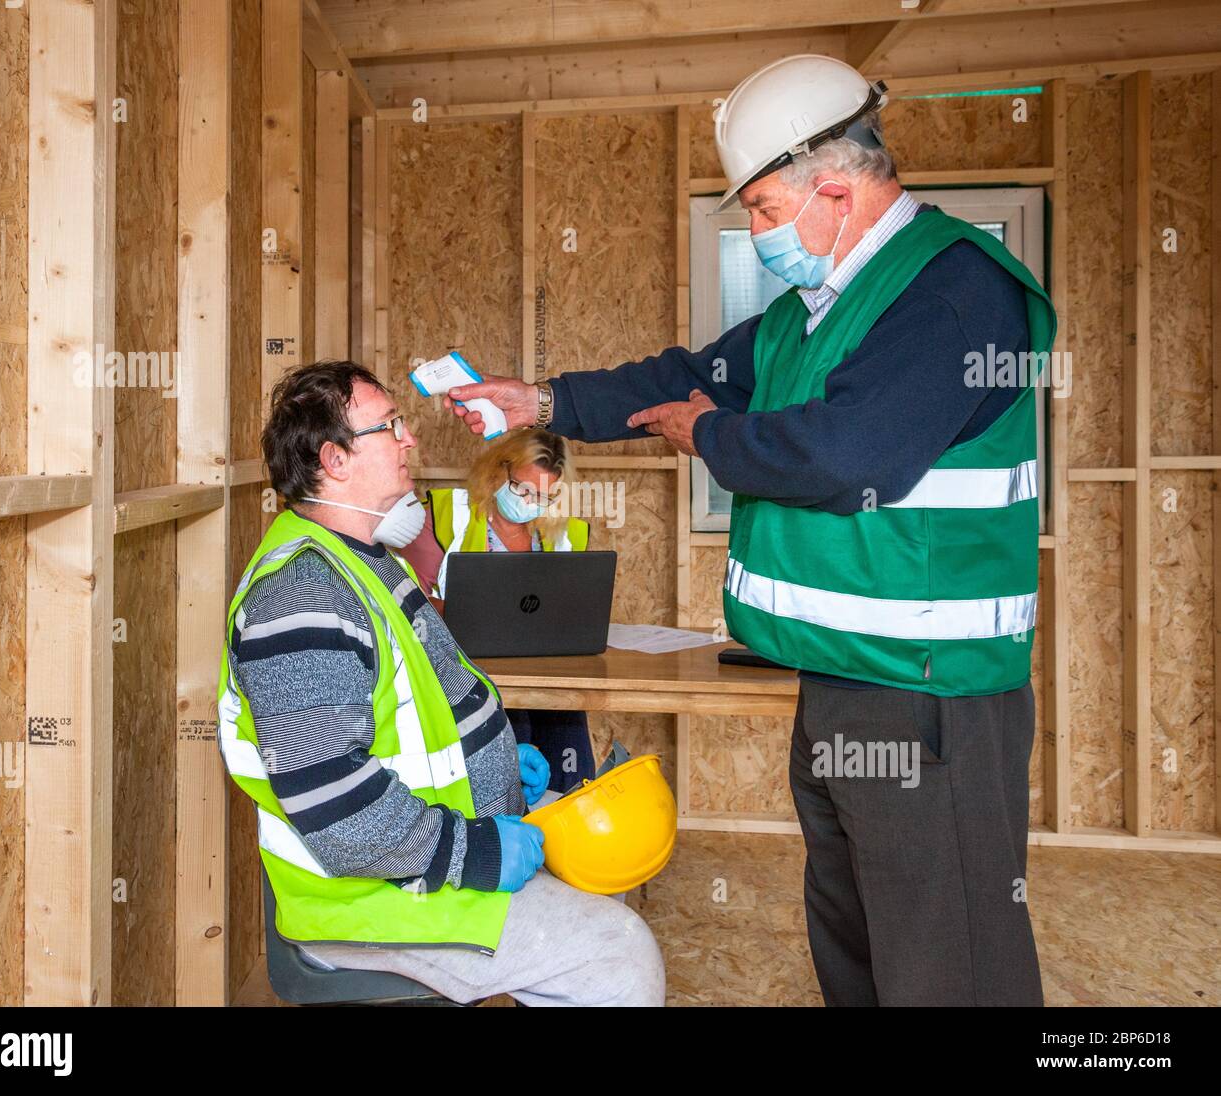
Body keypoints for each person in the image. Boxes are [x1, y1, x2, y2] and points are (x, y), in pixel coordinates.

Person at [441, 54, 1054, 1006]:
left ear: (839, 192)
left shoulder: (952, 294)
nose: (758, 232)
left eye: (765, 210)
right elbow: (683, 378)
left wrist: (711, 435)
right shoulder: (809, 316)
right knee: (856, 940)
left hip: (930, 696)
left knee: (945, 961)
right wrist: (543, 400)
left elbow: (847, 452)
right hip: (842, 679)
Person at [217, 360, 664, 1006]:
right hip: (374, 900)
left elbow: (424, 711)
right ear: (333, 459)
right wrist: (478, 852)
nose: (410, 440)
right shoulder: (302, 594)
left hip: (419, 865)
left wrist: (505, 765)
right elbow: (340, 811)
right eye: (390, 427)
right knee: (619, 957)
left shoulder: (365, 562)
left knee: (602, 869)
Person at [398, 429, 596, 795]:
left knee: (568, 728)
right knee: (508, 730)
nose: (531, 502)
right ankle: (509, 826)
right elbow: (409, 601)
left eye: (545, 496)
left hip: (546, 673)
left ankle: (568, 824)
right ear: (497, 471)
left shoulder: (566, 534)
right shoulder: (445, 517)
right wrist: (471, 613)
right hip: (469, 673)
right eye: (523, 489)